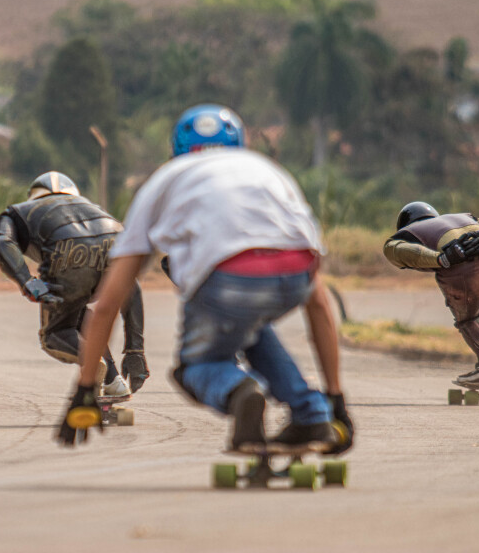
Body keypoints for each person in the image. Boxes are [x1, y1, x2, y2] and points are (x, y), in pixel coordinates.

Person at [56, 104, 353, 453]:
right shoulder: (268, 171)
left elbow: (107, 303)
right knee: (252, 331)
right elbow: (319, 304)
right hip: (295, 271)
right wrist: (336, 399)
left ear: (177, 149)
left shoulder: (167, 179)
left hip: (226, 279)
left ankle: (238, 391)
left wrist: (85, 389)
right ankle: (312, 415)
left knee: (199, 365)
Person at [0, 171, 149, 398]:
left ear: (33, 196)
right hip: (115, 237)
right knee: (74, 312)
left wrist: (27, 281)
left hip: (67, 252)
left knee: (55, 334)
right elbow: (129, 286)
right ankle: (113, 380)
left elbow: (2, 241)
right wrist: (136, 349)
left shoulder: (19, 212)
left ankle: (95, 366)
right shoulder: (91, 207)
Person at [383, 201, 479, 384]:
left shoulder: (410, 233)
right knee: (473, 308)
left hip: (464, 269)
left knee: (466, 318)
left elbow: (396, 250)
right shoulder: (459, 217)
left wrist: (442, 258)